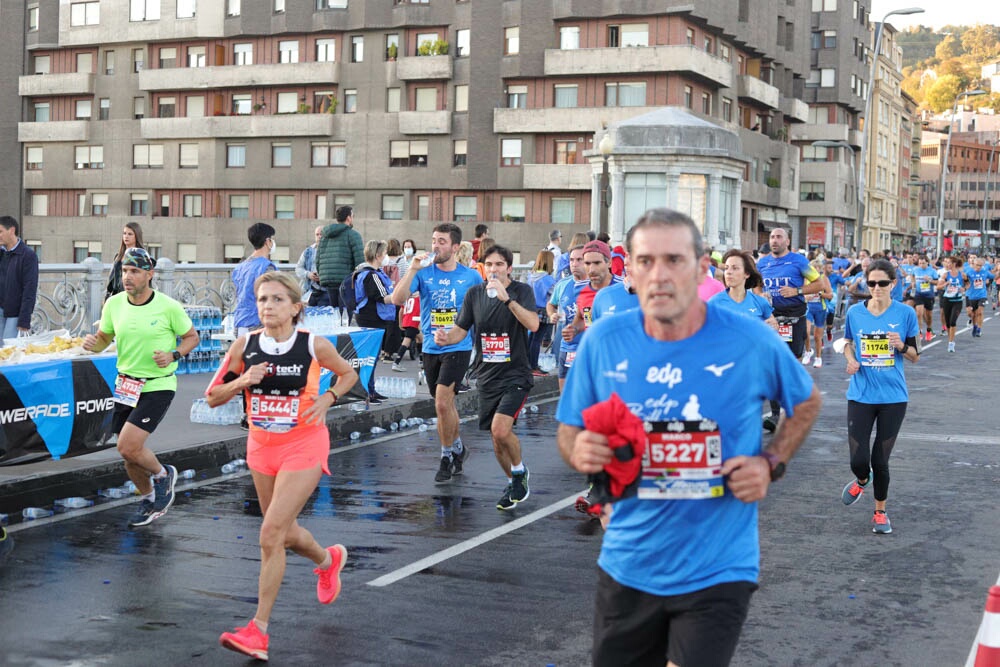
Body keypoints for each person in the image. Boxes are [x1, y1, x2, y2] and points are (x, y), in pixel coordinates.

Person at [556, 208, 821, 667]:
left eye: (674, 260)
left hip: (717, 567)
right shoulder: (604, 340)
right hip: (628, 563)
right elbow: (569, 428)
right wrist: (578, 449)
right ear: (631, 271)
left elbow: (806, 401)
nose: (659, 275)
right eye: (646, 261)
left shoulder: (749, 339)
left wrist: (770, 462)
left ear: (702, 269)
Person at [209, 272, 358, 661]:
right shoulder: (245, 344)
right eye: (261, 300)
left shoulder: (313, 345)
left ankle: (257, 630)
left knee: (270, 533)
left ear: (295, 308)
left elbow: (349, 373)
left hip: (304, 445)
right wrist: (242, 380)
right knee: (286, 532)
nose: (267, 307)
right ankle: (329, 560)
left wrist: (328, 397)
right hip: (261, 447)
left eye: (276, 299)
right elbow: (212, 397)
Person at [82, 247, 199, 527]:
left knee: (128, 445)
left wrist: (174, 355)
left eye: (134, 271)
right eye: (124, 271)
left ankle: (163, 474)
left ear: (149, 274)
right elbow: (103, 338)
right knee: (128, 455)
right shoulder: (114, 304)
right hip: (126, 384)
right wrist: (92, 345)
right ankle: (147, 499)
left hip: (157, 384)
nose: (127, 276)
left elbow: (191, 337)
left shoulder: (168, 306)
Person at [435, 245, 539, 510]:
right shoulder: (475, 294)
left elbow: (533, 324)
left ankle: (519, 471)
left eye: (499, 265)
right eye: (489, 265)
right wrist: (446, 338)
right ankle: (513, 480)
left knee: (500, 429)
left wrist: (507, 300)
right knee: (496, 439)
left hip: (515, 373)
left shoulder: (521, 292)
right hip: (487, 376)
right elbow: (461, 330)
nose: (494, 270)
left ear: (509, 268)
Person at [391, 223, 483, 484]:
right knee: (445, 405)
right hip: (431, 346)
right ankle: (458, 448)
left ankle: (445, 457)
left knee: (443, 402)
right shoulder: (423, 273)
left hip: (459, 347)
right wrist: (412, 269)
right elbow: (398, 299)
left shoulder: (471, 277)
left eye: (442, 241)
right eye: (433, 240)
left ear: (455, 247)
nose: (436, 245)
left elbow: (482, 311)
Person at [840, 259, 919, 535]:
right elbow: (848, 344)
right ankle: (862, 479)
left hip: (893, 398)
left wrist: (901, 346)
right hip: (861, 394)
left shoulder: (905, 314)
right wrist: (850, 360)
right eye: (871, 283)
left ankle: (880, 512)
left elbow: (915, 356)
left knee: (880, 460)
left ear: (893, 284)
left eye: (882, 283)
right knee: (858, 460)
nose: (876, 288)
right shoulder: (854, 313)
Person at [755, 228, 822, 431]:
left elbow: (818, 284)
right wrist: (760, 296)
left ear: (787, 241)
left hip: (794, 319)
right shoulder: (763, 263)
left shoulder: (799, 261)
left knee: (791, 366)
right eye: (772, 238)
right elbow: (756, 285)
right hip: (772, 319)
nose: (774, 241)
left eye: (778, 237)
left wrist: (797, 290)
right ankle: (775, 415)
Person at [352, 240, 398, 402]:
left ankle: (369, 389)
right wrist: (399, 298)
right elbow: (381, 297)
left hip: (366, 316)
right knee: (370, 357)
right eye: (384, 253)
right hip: (373, 318)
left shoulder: (362, 272)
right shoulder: (372, 275)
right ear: (378, 255)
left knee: (368, 357)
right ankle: (368, 391)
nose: (386, 257)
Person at [547, 244, 587, 391]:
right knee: (565, 397)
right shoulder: (563, 284)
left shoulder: (596, 286)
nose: (574, 264)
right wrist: (552, 314)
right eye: (571, 260)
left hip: (587, 348)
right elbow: (551, 304)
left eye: (579, 260)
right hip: (566, 347)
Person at [710, 249, 778, 329]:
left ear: (747, 273)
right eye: (726, 268)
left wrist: (773, 326)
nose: (728, 272)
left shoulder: (760, 302)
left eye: (735, 268)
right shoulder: (714, 303)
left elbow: (773, 326)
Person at [233, 223, 277, 337]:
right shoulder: (267, 267)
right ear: (268, 241)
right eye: (272, 239)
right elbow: (273, 296)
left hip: (239, 322)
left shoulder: (240, 267)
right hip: (258, 323)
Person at [317, 205, 365, 308]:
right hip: (346, 282)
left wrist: (322, 275)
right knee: (345, 316)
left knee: (334, 315)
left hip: (328, 280)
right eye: (353, 216)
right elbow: (360, 262)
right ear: (348, 218)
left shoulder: (325, 236)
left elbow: (318, 260)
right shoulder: (353, 235)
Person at [0, 216, 39, 340]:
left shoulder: (28, 255)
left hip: (15, 314)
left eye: (0, 231)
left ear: (11, 230)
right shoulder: (1, 253)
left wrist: (24, 319)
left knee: (8, 352)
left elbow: (30, 288)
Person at [526, 250, 556, 375]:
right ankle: (533, 366)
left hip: (532, 310)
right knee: (537, 340)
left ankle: (528, 364)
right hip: (544, 311)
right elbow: (554, 296)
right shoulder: (548, 279)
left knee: (531, 338)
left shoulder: (530, 276)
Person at [801, 258, 834, 368]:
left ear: (820, 270)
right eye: (812, 269)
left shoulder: (823, 279)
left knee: (817, 336)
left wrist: (821, 294)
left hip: (820, 308)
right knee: (805, 331)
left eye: (817, 269)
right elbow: (801, 293)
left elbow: (830, 295)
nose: (814, 272)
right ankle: (808, 351)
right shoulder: (806, 279)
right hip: (809, 308)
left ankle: (818, 357)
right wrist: (806, 296)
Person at [106, 222, 144, 300]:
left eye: (130, 234)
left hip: (132, 296)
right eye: (124, 233)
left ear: (136, 236)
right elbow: (112, 279)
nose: (126, 236)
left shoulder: (141, 256)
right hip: (116, 296)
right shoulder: (118, 256)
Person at [937, 255, 967, 352]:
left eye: (949, 262)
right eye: (947, 262)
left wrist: (964, 288)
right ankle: (950, 339)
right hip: (947, 300)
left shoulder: (962, 275)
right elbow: (938, 287)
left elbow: (968, 283)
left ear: (954, 263)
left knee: (953, 321)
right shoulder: (945, 275)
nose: (947, 264)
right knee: (948, 323)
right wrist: (945, 284)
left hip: (957, 301)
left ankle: (951, 343)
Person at [295, 226, 330, 307]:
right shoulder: (308, 251)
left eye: (322, 234)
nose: (319, 236)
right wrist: (308, 274)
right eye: (317, 234)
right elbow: (298, 269)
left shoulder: (332, 251)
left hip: (326, 292)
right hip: (310, 292)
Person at [910, 254, 939, 342]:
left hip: (929, 295)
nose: (921, 265)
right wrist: (913, 283)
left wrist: (929, 280)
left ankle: (929, 330)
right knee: (919, 313)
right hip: (919, 294)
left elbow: (937, 282)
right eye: (920, 263)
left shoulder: (932, 271)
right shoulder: (915, 269)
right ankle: (919, 332)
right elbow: (912, 275)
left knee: (928, 315)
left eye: (923, 263)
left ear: (927, 263)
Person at [964, 256, 994, 338]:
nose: (979, 267)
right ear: (973, 264)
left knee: (980, 312)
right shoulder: (968, 271)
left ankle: (979, 329)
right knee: (971, 314)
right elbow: (963, 280)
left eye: (981, 265)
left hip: (982, 295)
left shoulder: (985, 272)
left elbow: (993, 276)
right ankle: (974, 326)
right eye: (977, 265)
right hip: (970, 295)